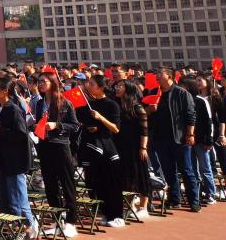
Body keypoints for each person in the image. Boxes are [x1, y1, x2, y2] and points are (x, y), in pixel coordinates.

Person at [0, 76, 39, 239]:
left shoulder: (14, 109)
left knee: (17, 195)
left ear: (4, 91)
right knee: (4, 196)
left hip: (14, 160)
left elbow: (21, 135)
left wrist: (0, 130)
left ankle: (27, 227)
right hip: (1, 158)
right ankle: (12, 227)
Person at [33, 71, 80, 236]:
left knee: (67, 184)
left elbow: (74, 125)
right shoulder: (40, 103)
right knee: (50, 185)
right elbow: (39, 122)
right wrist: (36, 126)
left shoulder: (64, 102)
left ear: (52, 82)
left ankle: (71, 222)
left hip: (60, 146)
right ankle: (57, 220)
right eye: (39, 81)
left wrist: (57, 125)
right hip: (44, 145)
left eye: (44, 81)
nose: (40, 84)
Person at [148, 66, 199, 211]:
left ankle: (193, 201)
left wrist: (190, 134)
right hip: (160, 138)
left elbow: (191, 115)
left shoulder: (181, 93)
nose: (157, 76)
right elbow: (144, 112)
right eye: (156, 73)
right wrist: (149, 110)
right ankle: (174, 199)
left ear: (169, 76)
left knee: (186, 170)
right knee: (168, 171)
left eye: (160, 73)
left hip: (180, 138)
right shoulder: (153, 92)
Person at [79, 74, 124, 227]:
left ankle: (117, 215)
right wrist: (90, 127)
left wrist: (100, 118)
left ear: (101, 87)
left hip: (108, 147)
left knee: (112, 182)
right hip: (92, 147)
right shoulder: (89, 105)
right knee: (97, 183)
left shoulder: (112, 104)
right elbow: (81, 122)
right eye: (88, 83)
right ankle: (105, 213)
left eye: (92, 84)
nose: (88, 86)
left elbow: (116, 129)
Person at [114, 79, 151, 218]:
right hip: (122, 147)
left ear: (128, 89)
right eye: (117, 86)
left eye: (120, 86)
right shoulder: (117, 106)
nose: (117, 88)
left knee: (141, 176)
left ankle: (143, 207)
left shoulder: (137, 108)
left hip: (136, 148)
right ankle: (130, 206)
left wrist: (143, 147)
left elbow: (144, 130)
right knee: (127, 178)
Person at [182, 75, 216, 205]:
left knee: (205, 168)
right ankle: (198, 192)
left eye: (184, 87)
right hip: (188, 140)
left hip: (201, 140)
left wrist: (209, 140)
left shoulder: (201, 101)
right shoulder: (183, 101)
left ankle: (210, 194)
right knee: (192, 168)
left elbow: (209, 121)